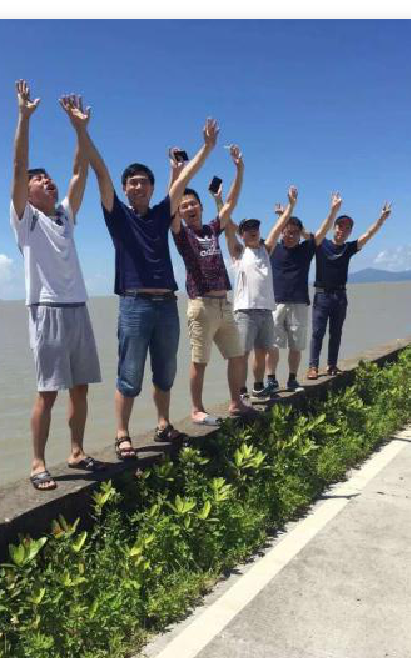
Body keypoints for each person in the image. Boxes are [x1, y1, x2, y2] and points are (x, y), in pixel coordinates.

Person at [76, 102, 220, 458]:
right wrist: (82, 130)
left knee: (166, 370)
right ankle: (122, 434)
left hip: (167, 304)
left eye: (143, 182)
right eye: (132, 182)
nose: (138, 186)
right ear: (124, 189)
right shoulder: (117, 214)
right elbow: (100, 171)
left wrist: (206, 148)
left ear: (153, 188)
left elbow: (184, 179)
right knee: (129, 372)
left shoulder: (161, 213)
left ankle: (163, 423)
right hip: (135, 303)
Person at [10, 81, 103, 491]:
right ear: (28, 193)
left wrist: (79, 129)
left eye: (49, 178)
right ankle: (37, 463)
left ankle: (77, 451)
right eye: (40, 179)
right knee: (47, 391)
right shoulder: (25, 219)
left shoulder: (64, 214)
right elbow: (19, 167)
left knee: (80, 388)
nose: (48, 181)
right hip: (46, 308)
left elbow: (79, 171)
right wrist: (24, 118)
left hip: (78, 306)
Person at [169, 145, 255, 424]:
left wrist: (240, 170)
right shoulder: (182, 235)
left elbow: (230, 204)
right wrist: (176, 173)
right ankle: (197, 409)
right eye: (184, 206)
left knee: (237, 356)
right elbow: (171, 201)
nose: (189, 208)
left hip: (224, 305)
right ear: (180, 212)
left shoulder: (211, 230)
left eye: (193, 204)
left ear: (201, 207)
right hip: (201, 305)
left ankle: (235, 402)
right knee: (200, 360)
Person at [223, 186, 299, 398]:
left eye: (255, 227)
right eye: (247, 228)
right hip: (245, 312)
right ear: (241, 234)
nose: (253, 230)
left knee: (262, 352)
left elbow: (279, 225)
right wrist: (219, 201)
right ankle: (241, 390)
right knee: (241, 354)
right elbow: (227, 226)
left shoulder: (266, 250)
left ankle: (257, 386)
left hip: (266, 311)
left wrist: (291, 205)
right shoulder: (238, 252)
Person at [265, 193, 343, 392]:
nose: (290, 235)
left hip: (299, 303)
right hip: (275, 303)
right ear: (281, 231)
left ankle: (292, 379)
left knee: (296, 345)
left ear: (300, 234)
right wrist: (284, 215)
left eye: (294, 233)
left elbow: (322, 231)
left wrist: (333, 211)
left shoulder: (306, 249)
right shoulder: (272, 249)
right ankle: (271, 379)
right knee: (272, 345)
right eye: (287, 232)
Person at [308, 203, 392, 379]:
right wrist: (333, 210)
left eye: (347, 228)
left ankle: (332, 365)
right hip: (322, 295)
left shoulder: (348, 248)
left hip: (340, 296)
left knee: (336, 333)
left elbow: (368, 235)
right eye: (340, 226)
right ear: (334, 227)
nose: (342, 230)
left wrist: (381, 219)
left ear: (350, 232)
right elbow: (308, 232)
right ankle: (313, 367)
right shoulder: (321, 244)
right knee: (317, 332)